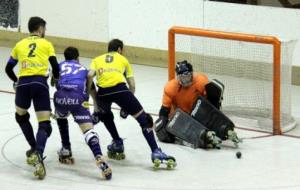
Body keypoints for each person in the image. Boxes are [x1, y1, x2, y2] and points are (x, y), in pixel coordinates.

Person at [88, 39, 176, 169]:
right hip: (121, 90)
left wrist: (96, 107)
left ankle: (117, 142)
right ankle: (155, 151)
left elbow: (89, 76)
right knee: (144, 120)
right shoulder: (123, 60)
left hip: (103, 93)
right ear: (119, 49)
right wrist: (126, 107)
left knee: (105, 115)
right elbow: (132, 85)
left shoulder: (97, 59)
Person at [4, 16, 59, 179]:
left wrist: (16, 81)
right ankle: (38, 152)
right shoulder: (46, 44)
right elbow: (55, 66)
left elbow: (8, 68)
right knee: (45, 125)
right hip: (39, 84)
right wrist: (55, 79)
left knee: (20, 117)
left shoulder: (19, 44)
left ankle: (33, 147)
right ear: (40, 29)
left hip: (22, 85)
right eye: (45, 29)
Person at [52, 47, 112, 180]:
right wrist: (96, 104)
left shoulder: (59, 66)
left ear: (65, 57)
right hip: (78, 99)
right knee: (88, 131)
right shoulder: (83, 69)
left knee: (60, 116)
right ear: (78, 58)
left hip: (61, 97)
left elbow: (54, 82)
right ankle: (98, 156)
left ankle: (66, 148)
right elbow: (91, 87)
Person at [155, 60, 241, 149]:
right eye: (183, 78)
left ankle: (225, 129)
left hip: (198, 112)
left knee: (213, 90)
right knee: (163, 131)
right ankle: (205, 136)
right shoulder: (170, 87)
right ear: (178, 77)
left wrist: (216, 106)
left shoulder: (201, 80)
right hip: (180, 117)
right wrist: (163, 122)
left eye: (188, 77)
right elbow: (164, 110)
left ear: (192, 74)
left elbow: (209, 104)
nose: (186, 81)